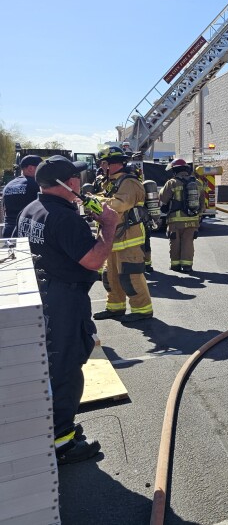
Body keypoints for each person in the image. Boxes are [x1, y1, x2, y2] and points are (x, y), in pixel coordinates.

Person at [17, 155, 119, 464]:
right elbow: (92, 260)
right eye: (77, 180)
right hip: (63, 301)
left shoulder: (31, 210)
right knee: (65, 368)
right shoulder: (65, 219)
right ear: (70, 184)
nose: (80, 183)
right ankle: (63, 443)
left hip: (41, 294)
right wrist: (109, 226)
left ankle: (52, 428)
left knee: (49, 365)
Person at [92, 146, 154, 321]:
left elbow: (119, 205)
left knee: (131, 275)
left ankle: (142, 310)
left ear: (110, 163)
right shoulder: (109, 182)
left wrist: (95, 200)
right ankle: (115, 308)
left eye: (103, 163)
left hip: (129, 238)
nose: (101, 167)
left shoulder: (130, 183)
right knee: (110, 275)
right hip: (111, 238)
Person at [159, 158, 204, 272]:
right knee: (188, 242)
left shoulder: (172, 182)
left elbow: (163, 198)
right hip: (192, 220)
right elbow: (202, 203)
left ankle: (175, 265)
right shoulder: (198, 183)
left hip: (175, 221)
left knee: (175, 242)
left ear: (175, 171)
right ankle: (187, 265)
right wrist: (198, 216)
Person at [1, 155, 42, 237]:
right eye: (40, 167)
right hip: (26, 232)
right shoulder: (36, 184)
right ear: (30, 168)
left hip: (8, 231)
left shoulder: (8, 185)